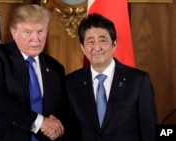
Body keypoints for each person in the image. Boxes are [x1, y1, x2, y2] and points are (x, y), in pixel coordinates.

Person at [0, 4, 69, 141]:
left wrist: (57, 127)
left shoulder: (55, 67)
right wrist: (40, 122)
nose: (36, 39)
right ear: (14, 32)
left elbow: (62, 109)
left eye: (40, 31)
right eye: (28, 32)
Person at [65, 13, 157, 141]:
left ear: (115, 44)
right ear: (83, 48)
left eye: (103, 40)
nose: (97, 47)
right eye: (90, 42)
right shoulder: (71, 83)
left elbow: (149, 131)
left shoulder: (138, 81)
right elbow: (69, 131)